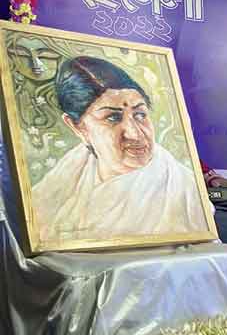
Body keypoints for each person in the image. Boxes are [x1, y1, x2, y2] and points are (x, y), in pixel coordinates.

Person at [32, 56, 210, 241]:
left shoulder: (182, 191)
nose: (134, 134)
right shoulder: (69, 174)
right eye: (112, 118)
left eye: (140, 114)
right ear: (77, 127)